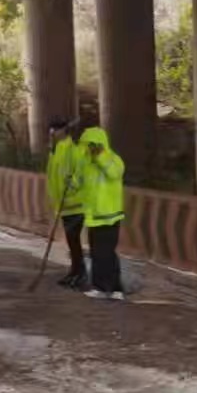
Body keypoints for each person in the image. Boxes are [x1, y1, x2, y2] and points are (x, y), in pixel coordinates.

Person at [78, 126, 126, 301]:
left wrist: (101, 156)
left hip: (110, 216)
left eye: (92, 145)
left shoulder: (114, 160)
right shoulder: (87, 165)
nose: (89, 149)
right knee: (96, 253)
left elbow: (113, 174)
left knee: (107, 253)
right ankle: (99, 287)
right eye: (87, 146)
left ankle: (116, 289)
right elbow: (81, 185)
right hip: (93, 217)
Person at [45, 119, 88, 289]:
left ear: (62, 131)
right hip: (63, 206)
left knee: (74, 240)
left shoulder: (73, 150)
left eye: (54, 130)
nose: (52, 133)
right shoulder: (54, 152)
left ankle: (80, 273)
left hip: (76, 204)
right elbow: (52, 177)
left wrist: (72, 184)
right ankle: (75, 272)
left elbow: (81, 174)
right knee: (72, 241)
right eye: (51, 130)